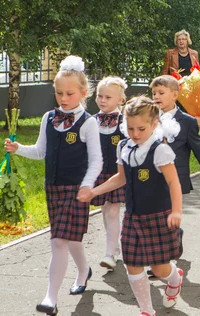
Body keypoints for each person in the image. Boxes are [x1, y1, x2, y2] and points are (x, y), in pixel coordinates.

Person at [4, 55, 102, 316]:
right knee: (70, 241)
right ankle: (84, 270)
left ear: (83, 93)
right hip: (53, 189)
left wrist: (88, 185)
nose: (63, 98)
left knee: (59, 240)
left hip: (77, 190)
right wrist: (17, 149)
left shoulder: (88, 122)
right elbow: (40, 152)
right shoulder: (49, 118)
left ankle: (50, 297)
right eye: (59, 92)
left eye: (69, 93)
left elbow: (97, 161)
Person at [78, 96, 185, 315]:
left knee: (158, 268)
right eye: (130, 128)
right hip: (133, 216)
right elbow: (120, 178)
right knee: (133, 264)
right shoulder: (124, 146)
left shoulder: (160, 151)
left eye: (141, 128)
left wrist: (176, 211)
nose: (135, 133)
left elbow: (174, 182)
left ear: (155, 125)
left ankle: (175, 278)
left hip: (158, 217)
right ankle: (146, 310)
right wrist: (94, 191)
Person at [150, 75, 200, 194]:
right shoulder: (149, 117)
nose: (156, 96)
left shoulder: (187, 121)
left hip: (176, 173)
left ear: (175, 95)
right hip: (151, 172)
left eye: (161, 93)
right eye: (154, 93)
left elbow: (198, 146)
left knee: (171, 209)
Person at [92, 76, 127, 271]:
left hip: (118, 172)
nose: (102, 100)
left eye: (108, 97)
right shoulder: (92, 121)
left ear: (120, 100)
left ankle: (109, 254)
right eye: (100, 96)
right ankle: (115, 246)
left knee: (113, 210)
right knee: (105, 211)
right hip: (99, 172)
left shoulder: (124, 122)